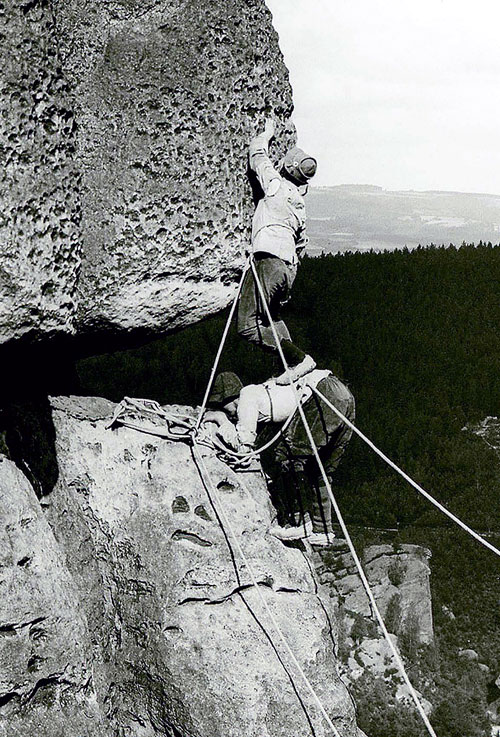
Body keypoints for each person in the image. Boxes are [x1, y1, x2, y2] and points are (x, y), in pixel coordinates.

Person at [204, 369, 355, 546]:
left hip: (322, 393)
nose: (230, 414)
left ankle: (300, 522)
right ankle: (322, 530)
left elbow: (244, 449)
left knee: (288, 456)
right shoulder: (267, 393)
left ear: (229, 398)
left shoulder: (247, 396)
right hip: (342, 394)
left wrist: (220, 419)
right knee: (320, 467)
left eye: (225, 408)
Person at [237, 118, 318, 385]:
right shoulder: (299, 205)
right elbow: (302, 244)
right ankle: (291, 366)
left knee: (248, 325)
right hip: (288, 268)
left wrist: (267, 133)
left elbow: (257, 156)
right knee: (272, 318)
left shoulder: (275, 186)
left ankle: (297, 360)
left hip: (267, 261)